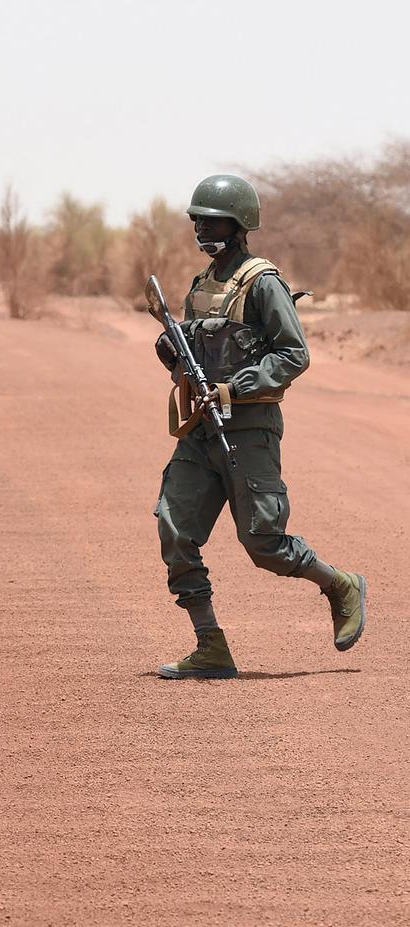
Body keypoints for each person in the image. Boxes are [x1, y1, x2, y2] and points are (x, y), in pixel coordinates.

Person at [153, 174, 366, 678]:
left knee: (264, 544)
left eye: (212, 219)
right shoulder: (202, 284)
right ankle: (211, 647)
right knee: (174, 527)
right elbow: (194, 356)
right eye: (198, 219)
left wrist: (236, 387)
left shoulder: (263, 283)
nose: (203, 227)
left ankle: (339, 584)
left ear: (239, 223)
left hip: (248, 431)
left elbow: (294, 354)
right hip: (202, 430)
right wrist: (172, 352)